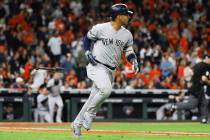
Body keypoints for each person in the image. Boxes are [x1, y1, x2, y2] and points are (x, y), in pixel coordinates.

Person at [71, 3, 139, 137]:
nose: (128, 17)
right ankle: (90, 114)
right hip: (97, 65)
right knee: (106, 90)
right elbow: (87, 39)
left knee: (93, 98)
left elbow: (129, 51)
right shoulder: (101, 28)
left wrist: (134, 61)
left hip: (111, 70)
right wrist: (87, 52)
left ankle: (76, 124)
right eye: (126, 14)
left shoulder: (127, 34)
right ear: (119, 16)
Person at [171, 54, 210, 123]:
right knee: (192, 105)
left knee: (203, 103)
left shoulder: (198, 65)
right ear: (206, 58)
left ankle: (204, 119)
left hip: (196, 87)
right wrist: (207, 81)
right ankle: (176, 105)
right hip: (197, 89)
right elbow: (203, 79)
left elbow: (194, 76)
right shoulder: (205, 66)